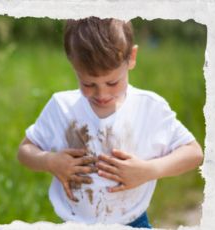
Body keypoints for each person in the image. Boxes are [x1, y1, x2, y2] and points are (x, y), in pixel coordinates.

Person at [17, 17, 203, 228]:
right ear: (72, 63)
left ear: (131, 57)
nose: (101, 93)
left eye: (112, 82)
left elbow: (193, 153)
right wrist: (49, 162)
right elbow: (25, 150)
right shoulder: (61, 107)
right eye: (88, 83)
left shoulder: (149, 108)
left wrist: (148, 170)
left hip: (132, 223)